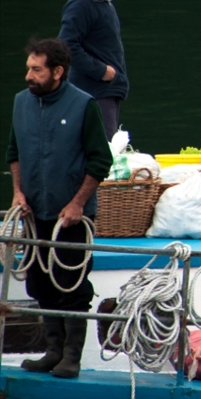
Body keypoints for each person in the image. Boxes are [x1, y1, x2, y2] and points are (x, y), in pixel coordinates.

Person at [7, 38, 112, 379]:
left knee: (72, 287)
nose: (28, 76)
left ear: (58, 71)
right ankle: (52, 351)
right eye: (28, 68)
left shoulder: (84, 105)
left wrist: (78, 203)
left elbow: (101, 160)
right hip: (35, 213)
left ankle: (72, 356)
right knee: (40, 284)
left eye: (36, 70)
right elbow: (14, 152)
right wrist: (18, 193)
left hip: (72, 217)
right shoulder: (21, 103)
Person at [57, 0, 128, 139]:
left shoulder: (104, 3)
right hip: (92, 91)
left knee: (104, 147)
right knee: (101, 150)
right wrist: (100, 70)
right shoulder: (81, 4)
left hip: (106, 90)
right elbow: (66, 45)